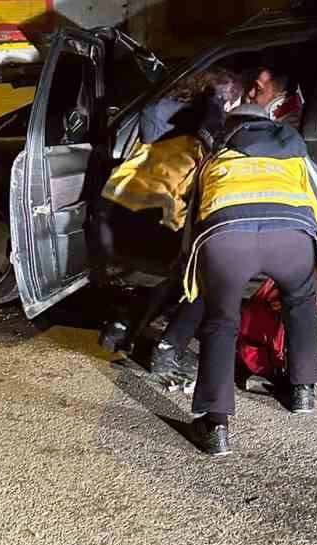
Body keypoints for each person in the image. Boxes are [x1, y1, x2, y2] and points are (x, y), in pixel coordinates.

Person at [180, 92, 317, 455]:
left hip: (226, 242)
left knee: (221, 321)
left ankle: (215, 425)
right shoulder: (297, 155)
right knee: (299, 301)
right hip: (290, 240)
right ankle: (302, 391)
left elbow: (194, 223)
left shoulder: (216, 159)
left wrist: (195, 268)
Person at [145, 60, 307, 382]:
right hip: (208, 202)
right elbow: (208, 144)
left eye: (256, 89)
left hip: (217, 203)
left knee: (205, 277)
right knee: (207, 278)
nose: (250, 92)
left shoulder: (279, 115)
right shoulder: (232, 107)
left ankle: (164, 342)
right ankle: (166, 348)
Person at [93, 69, 241, 356]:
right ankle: (166, 348)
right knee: (196, 277)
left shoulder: (157, 111)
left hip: (121, 209)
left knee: (164, 275)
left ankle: (121, 326)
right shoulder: (205, 126)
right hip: (165, 215)